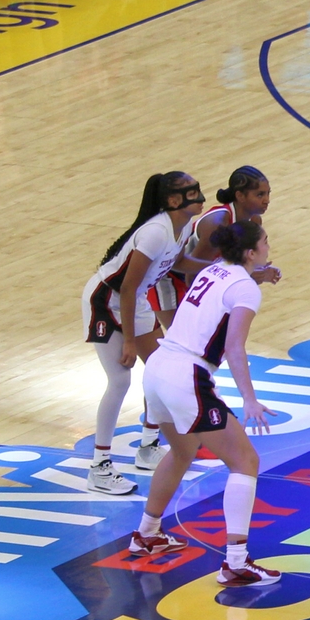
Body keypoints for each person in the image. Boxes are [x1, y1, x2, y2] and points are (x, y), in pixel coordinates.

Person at [130, 221, 281, 587]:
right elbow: (234, 347)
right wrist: (249, 398)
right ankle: (235, 562)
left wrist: (259, 276)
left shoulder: (216, 269)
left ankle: (147, 534)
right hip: (187, 376)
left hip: (159, 369)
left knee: (182, 451)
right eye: (264, 242)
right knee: (245, 460)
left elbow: (232, 288)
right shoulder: (245, 288)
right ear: (251, 252)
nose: (268, 245)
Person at [80, 172, 204, 495]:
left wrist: (220, 266)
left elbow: (179, 263)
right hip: (106, 299)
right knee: (120, 380)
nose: (201, 196)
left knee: (162, 369)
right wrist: (131, 342)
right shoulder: (154, 232)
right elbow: (128, 285)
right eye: (194, 192)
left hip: (134, 301)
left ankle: (149, 447)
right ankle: (99, 466)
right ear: (174, 201)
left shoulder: (184, 227)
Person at [151, 165, 280, 331]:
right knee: (185, 335)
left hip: (199, 276)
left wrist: (261, 271)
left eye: (268, 193)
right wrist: (244, 276)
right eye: (260, 194)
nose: (266, 200)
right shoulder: (218, 224)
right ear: (240, 196)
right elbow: (192, 277)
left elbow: (236, 264)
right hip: (168, 276)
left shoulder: (254, 221)